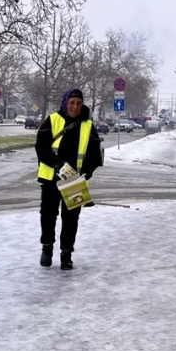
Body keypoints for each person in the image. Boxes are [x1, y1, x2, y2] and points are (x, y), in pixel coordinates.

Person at [35, 87, 103, 270]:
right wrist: (56, 163)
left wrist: (88, 171)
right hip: (51, 178)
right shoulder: (52, 120)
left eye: (78, 104)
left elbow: (95, 155)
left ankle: (66, 254)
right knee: (48, 215)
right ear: (65, 103)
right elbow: (41, 147)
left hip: (75, 181)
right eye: (71, 103)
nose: (74, 107)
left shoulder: (88, 125)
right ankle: (47, 247)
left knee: (71, 219)